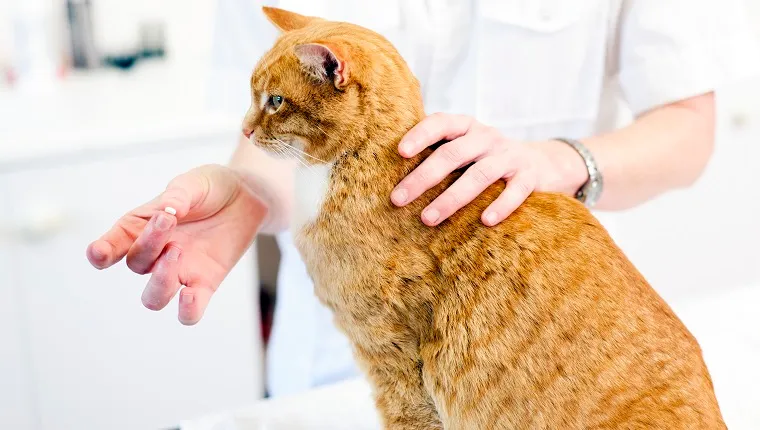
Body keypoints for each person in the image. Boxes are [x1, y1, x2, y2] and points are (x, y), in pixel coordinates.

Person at [86, 0, 757, 399]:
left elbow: (687, 124)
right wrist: (246, 195)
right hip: (343, 366)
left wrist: (559, 162)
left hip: (547, 345)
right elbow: (287, 129)